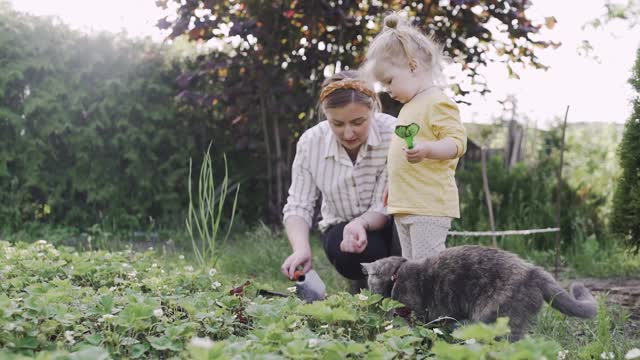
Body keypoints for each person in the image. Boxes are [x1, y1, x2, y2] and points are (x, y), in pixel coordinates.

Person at [280, 70, 400, 290]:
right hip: (340, 226)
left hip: (389, 224)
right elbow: (299, 204)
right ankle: (361, 285)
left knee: (396, 243)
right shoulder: (310, 143)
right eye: (337, 124)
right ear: (326, 116)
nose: (348, 133)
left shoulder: (393, 134)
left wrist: (361, 223)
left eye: (358, 122)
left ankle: (393, 288)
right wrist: (301, 248)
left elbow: (384, 205)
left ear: (372, 109)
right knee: (356, 255)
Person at [362, 14, 467, 260]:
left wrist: (429, 149)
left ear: (412, 66)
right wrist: (392, 185)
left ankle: (435, 300)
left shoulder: (438, 102)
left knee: (428, 269)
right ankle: (415, 300)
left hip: (429, 205)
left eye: (389, 81)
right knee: (412, 270)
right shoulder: (409, 107)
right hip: (406, 203)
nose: (387, 90)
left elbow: (456, 143)